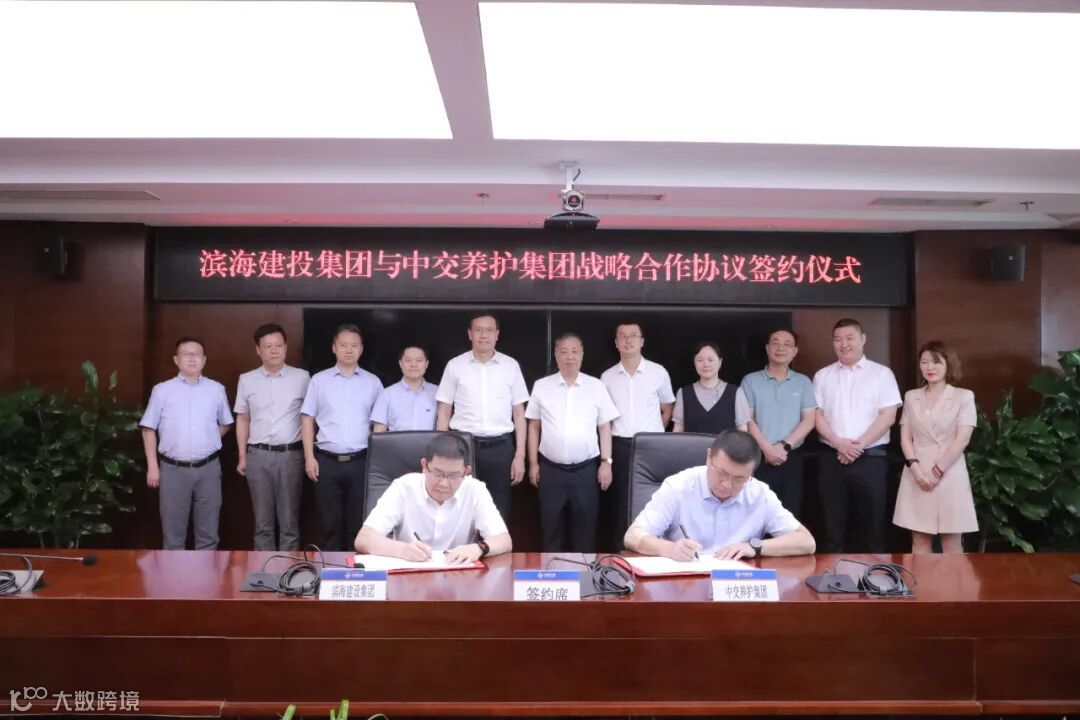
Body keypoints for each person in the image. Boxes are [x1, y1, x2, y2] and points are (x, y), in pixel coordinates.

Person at [624, 430, 815, 560]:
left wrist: (753, 547)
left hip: (736, 587)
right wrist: (670, 549)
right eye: (722, 473)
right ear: (709, 457)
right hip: (684, 585)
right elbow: (632, 536)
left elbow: (806, 542)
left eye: (739, 479)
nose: (727, 484)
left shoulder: (759, 494)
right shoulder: (678, 486)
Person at [813, 318, 902, 554]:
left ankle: (875, 577)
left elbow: (888, 416)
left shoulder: (882, 374)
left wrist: (857, 446)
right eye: (838, 339)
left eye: (849, 338)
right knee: (832, 528)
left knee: (872, 528)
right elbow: (817, 416)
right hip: (832, 459)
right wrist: (839, 444)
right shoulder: (822, 375)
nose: (844, 344)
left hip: (871, 460)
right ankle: (831, 577)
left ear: (863, 339)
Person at [525, 333, 620, 552]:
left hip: (585, 470)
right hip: (550, 470)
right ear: (556, 356)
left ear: (582, 355)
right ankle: (552, 572)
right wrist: (533, 463)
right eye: (564, 352)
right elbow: (534, 426)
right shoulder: (542, 386)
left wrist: (606, 463)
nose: (570, 357)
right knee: (551, 530)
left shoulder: (596, 386)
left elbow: (604, 427)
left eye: (575, 351)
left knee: (585, 531)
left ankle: (585, 574)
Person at [354, 434, 512, 563]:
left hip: (458, 577)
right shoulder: (403, 487)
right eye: (437, 473)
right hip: (410, 578)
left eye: (453, 475)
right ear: (424, 465)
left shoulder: (475, 490)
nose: (444, 483)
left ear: (466, 471)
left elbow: (504, 540)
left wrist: (478, 548)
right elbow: (364, 539)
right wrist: (402, 550)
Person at [140, 337, 233, 550]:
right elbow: (148, 429)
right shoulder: (162, 390)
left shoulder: (216, 389)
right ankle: (174, 573)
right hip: (173, 469)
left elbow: (226, 423)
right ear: (176, 359)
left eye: (197, 354)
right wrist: (153, 467)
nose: (192, 359)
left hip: (208, 469)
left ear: (204, 359)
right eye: (186, 354)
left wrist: (209, 440)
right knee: (173, 536)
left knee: (208, 535)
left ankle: (206, 573)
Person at [435, 312, 529, 524]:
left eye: (489, 330)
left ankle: (493, 545)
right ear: (470, 334)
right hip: (463, 447)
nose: (483, 335)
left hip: (500, 448)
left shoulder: (510, 366)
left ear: (497, 334)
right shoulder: (455, 365)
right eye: (478, 330)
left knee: (498, 511)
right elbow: (444, 412)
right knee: (459, 509)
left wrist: (520, 456)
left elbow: (519, 414)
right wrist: (442, 452)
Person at [300, 324, 382, 551]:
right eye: (343, 345)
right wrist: (309, 457)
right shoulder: (319, 380)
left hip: (361, 461)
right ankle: (330, 569)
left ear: (361, 349)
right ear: (334, 348)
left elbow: (380, 425)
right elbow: (307, 419)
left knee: (359, 523)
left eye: (354, 345)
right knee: (329, 524)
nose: (349, 350)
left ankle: (356, 568)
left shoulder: (373, 382)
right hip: (326, 462)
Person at [893, 341, 978, 553]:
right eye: (924, 362)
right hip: (917, 473)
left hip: (949, 472)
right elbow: (905, 438)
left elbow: (962, 439)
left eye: (936, 362)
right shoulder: (911, 396)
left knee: (951, 540)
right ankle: (920, 578)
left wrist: (937, 471)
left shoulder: (963, 396)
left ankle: (954, 578)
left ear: (948, 365)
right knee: (919, 538)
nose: (930, 367)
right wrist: (916, 470)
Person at [234, 323, 310, 550]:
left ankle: (289, 570)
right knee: (262, 523)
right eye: (268, 346)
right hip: (258, 456)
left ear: (286, 347)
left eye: (278, 345)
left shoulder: (302, 377)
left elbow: (310, 418)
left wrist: (309, 456)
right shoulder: (247, 379)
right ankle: (264, 569)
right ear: (258, 350)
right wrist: (242, 456)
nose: (274, 350)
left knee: (289, 522)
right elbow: (243, 419)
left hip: (291, 455)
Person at [600, 321, 675, 551]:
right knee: (620, 503)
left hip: (651, 446)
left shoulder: (658, 372)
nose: (628, 340)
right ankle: (619, 554)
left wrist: (656, 434)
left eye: (633, 335)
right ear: (616, 342)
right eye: (622, 336)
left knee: (653, 501)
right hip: (619, 446)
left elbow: (667, 407)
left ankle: (653, 552)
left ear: (642, 341)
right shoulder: (607, 377)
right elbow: (604, 420)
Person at [740, 329, 817, 517]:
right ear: (767, 348)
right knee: (756, 513)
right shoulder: (750, 380)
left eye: (787, 344)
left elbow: (809, 420)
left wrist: (784, 446)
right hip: (758, 457)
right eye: (775, 343)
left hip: (792, 457)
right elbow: (747, 419)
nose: (780, 348)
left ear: (795, 351)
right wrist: (767, 449)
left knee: (790, 513)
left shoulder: (803, 382)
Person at [672, 341, 751, 434]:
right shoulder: (683, 393)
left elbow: (742, 431)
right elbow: (678, 429)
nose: (706, 364)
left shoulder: (736, 392)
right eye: (700, 360)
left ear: (720, 362)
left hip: (726, 444)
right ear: (694, 362)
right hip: (692, 444)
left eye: (710, 360)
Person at [372, 345, 439, 432]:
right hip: (396, 441)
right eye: (408, 360)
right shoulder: (387, 394)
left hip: (430, 441)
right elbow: (378, 432)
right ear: (400, 363)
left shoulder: (438, 393)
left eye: (419, 360)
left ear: (426, 364)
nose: (413, 364)